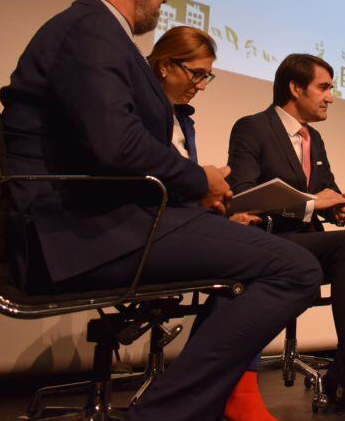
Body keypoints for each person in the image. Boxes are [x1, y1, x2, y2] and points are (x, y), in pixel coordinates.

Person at [0, 0, 322, 421]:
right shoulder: (91, 31)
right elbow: (118, 145)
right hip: (84, 235)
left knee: (270, 258)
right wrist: (201, 181)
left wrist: (198, 194)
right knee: (295, 268)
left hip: (103, 225)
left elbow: (109, 146)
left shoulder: (94, 32)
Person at [227, 54, 345, 419]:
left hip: (309, 243)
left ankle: (341, 369)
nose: (331, 97)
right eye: (324, 87)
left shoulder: (314, 138)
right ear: (295, 88)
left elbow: (325, 189)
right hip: (270, 242)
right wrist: (313, 204)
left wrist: (337, 205)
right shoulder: (253, 128)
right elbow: (243, 194)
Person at [147, 26, 274, 421]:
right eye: (196, 74)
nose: (201, 85)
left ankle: (217, 386)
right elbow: (145, 183)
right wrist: (202, 183)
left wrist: (216, 207)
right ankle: (227, 388)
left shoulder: (182, 120)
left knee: (245, 246)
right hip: (150, 232)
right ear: (166, 66)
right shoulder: (143, 113)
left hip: (181, 223)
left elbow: (180, 189)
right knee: (254, 262)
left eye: (207, 76)